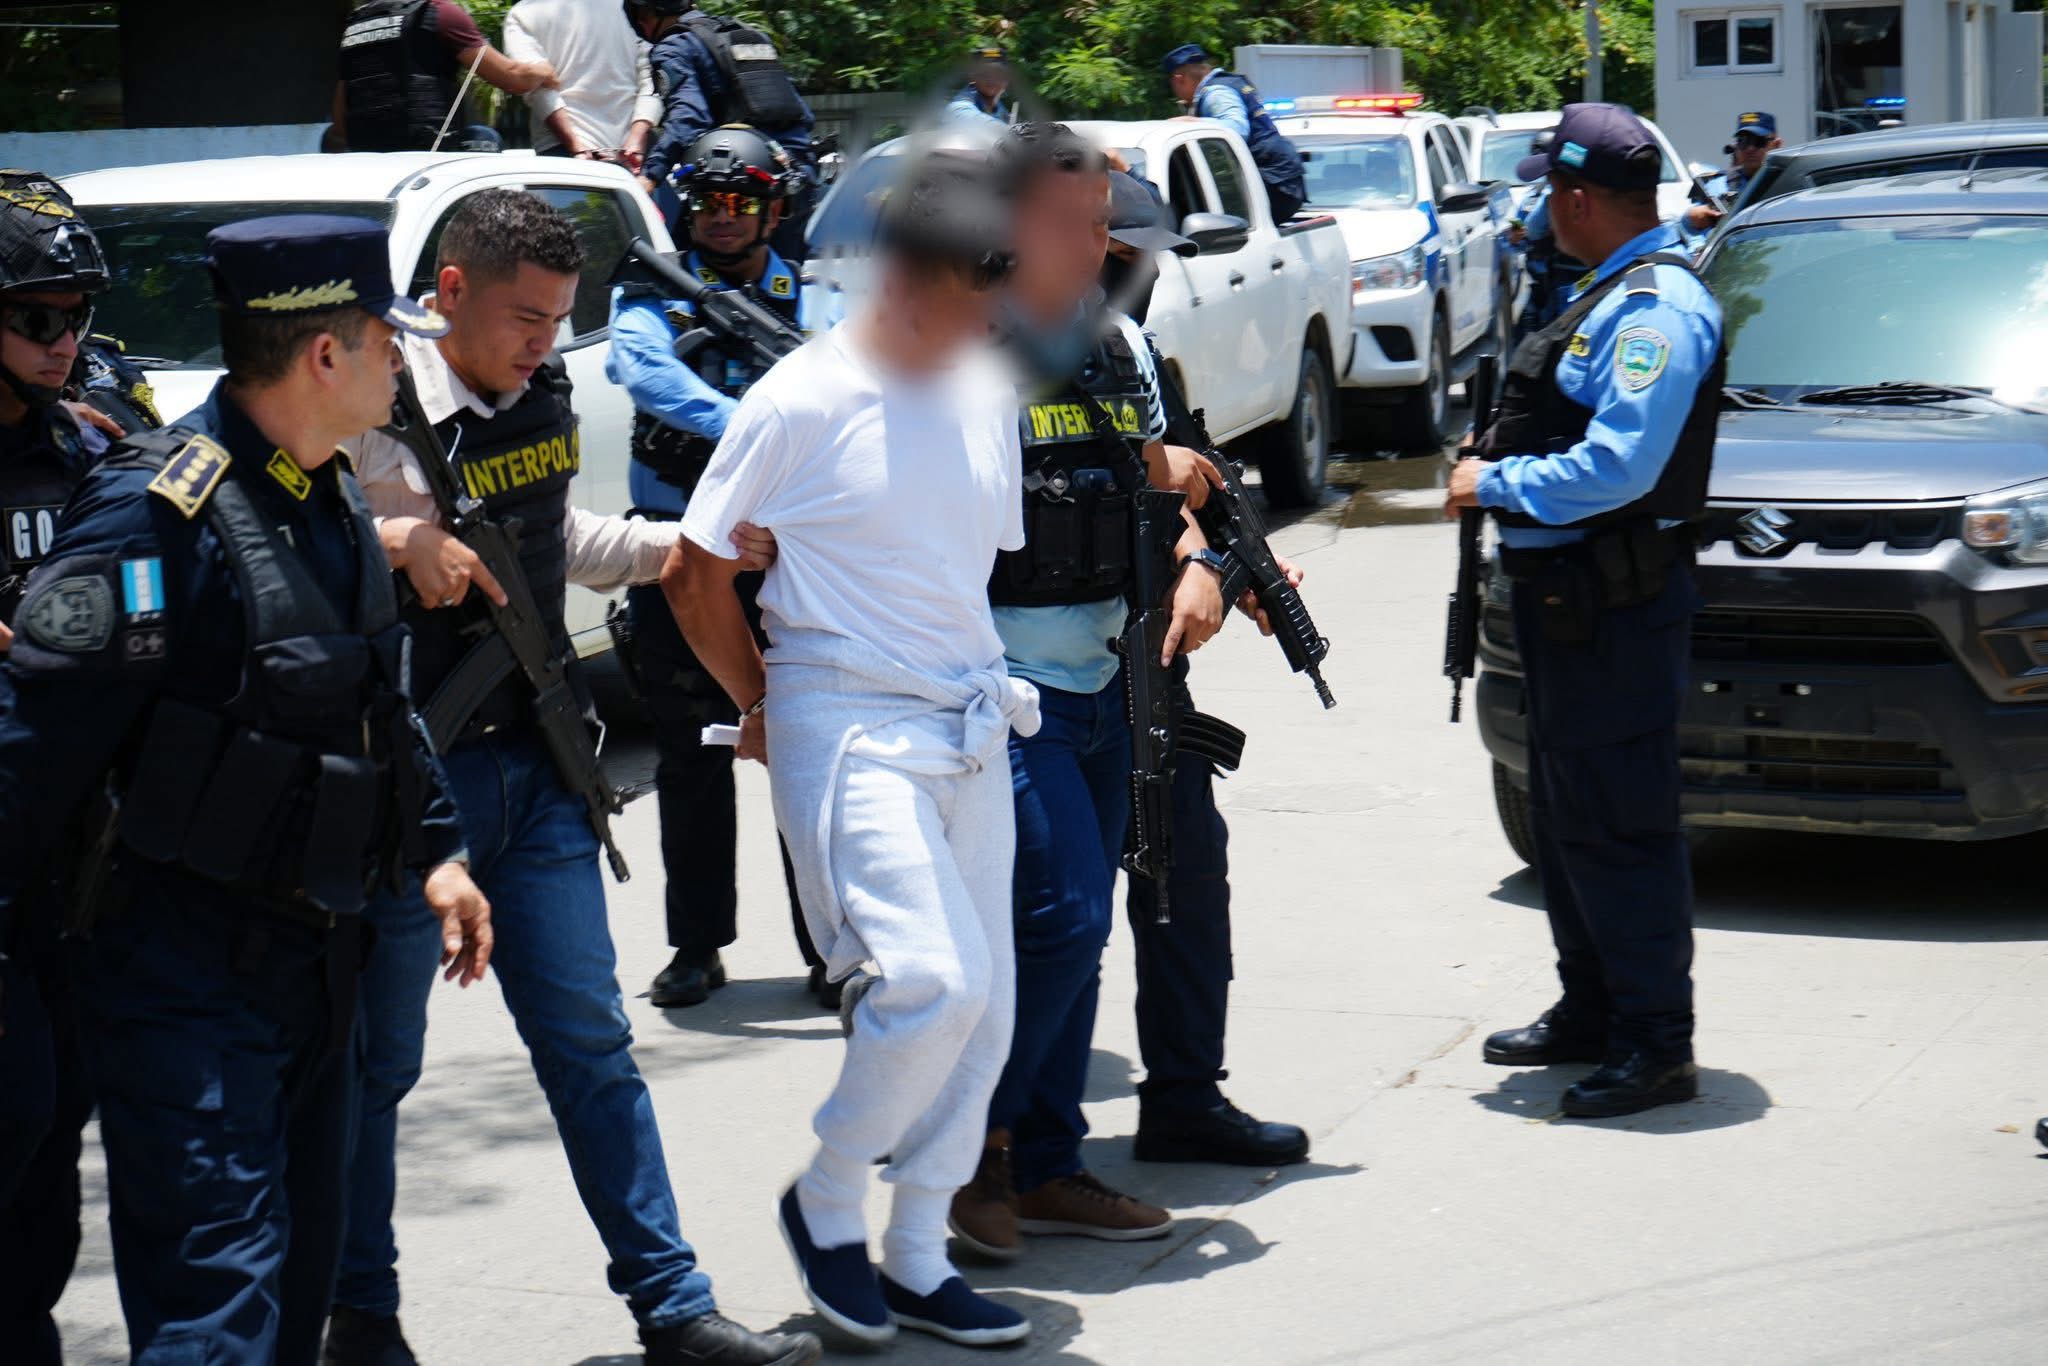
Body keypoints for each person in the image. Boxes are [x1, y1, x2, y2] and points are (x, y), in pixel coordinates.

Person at [328, 189, 816, 1366]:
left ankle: (673, 1309)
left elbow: (555, 544)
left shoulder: (537, 393)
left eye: (559, 318)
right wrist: (390, 540)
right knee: (375, 1068)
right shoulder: (369, 408)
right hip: (412, 795)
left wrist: (682, 548)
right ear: (448, 293)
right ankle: (362, 1319)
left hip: (541, 771)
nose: (546, 342)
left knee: (593, 1050)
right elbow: (286, 549)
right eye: (525, 318)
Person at [0, 213, 494, 1365]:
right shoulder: (152, 516)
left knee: (292, 1301)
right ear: (324, 353)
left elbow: (373, 698)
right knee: (215, 1314)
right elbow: (29, 753)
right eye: (386, 338)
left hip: (316, 967)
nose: (400, 360)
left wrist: (437, 849)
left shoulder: (328, 491)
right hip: (181, 984)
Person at [663, 149, 1036, 1349]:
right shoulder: (801, 398)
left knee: (986, 1009)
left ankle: (917, 1252)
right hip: (847, 715)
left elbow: (955, 564)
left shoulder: (985, 389)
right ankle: (826, 1197)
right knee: (930, 980)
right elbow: (693, 569)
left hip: (965, 716)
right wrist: (760, 700)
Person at [943, 125, 1225, 1263]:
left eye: (1103, 225)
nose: (1097, 245)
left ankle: (1046, 1164)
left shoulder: (1118, 346)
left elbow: (1165, 492)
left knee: (1079, 933)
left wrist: (1202, 561)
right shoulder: (957, 351)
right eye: (1071, 224)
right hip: (1005, 689)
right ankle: (968, 1148)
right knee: (1059, 920)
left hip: (1113, 680)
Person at [1445, 103, 1725, 1120]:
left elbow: (1620, 466)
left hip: (1615, 606)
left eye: (1546, 193)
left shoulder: (1653, 309)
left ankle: (1655, 1041)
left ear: (1574, 198)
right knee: (1568, 820)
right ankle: (1594, 1008)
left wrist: (1494, 482)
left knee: (1621, 825)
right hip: (1567, 604)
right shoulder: (1602, 289)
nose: (1538, 211)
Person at [1100, 174, 1314, 1169]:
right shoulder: (1013, 352)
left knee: (1184, 876)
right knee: (1045, 921)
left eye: (1146, 259)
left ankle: (1184, 1097)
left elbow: (1191, 488)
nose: (1138, 276)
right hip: (1042, 672)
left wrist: (1232, 571)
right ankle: (1002, 1140)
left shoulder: (1136, 354)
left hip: (1143, 665)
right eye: (1122, 256)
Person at [607, 124, 827, 1010]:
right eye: (706, 201)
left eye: (742, 201)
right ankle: (696, 947)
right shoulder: (652, 293)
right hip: (679, 552)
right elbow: (646, 375)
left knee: (804, 754)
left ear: (775, 209)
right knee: (689, 757)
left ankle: (830, 945)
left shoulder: (816, 299)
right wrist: (753, 424)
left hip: (788, 561)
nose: (723, 216)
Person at [0, 169, 150, 1365]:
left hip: (76, 864)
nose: (63, 340)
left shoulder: (94, 440)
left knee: (55, 1155)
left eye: (76, 315)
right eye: (34, 317)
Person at [626, 1, 817, 263]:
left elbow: (689, 119)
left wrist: (649, 177)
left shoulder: (674, 46)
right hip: (796, 177)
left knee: (682, 272)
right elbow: (801, 115)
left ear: (645, 17)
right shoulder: (747, 35)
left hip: (738, 188)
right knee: (785, 273)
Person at [334, 0, 559, 153]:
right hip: (429, 156)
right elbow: (512, 78)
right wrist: (546, 71)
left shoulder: (355, 25)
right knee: (484, 138)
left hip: (367, 157)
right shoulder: (438, 13)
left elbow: (340, 123)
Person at [1160, 44, 1306, 223]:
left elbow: (1237, 129)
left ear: (1179, 79)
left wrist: (1193, 122)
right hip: (1283, 181)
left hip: (1274, 183)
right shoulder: (1229, 82)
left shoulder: (1216, 93)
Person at [504, 0, 662, 165]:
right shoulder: (635, 5)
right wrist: (637, 138)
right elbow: (654, 78)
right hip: (632, 152)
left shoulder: (524, 12)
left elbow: (537, 86)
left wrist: (576, 146)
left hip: (563, 150)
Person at [1680, 110, 1779, 244]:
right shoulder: (1712, 185)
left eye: (1759, 142)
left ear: (1777, 144)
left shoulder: (1791, 183)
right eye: (1743, 142)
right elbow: (1687, 229)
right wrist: (1691, 218)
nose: (1750, 149)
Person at [945, 46, 1012, 129]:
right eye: (985, 73)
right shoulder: (960, 106)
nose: (992, 79)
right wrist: (1010, 130)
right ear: (972, 77)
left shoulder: (999, 107)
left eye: (998, 74)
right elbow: (965, 116)